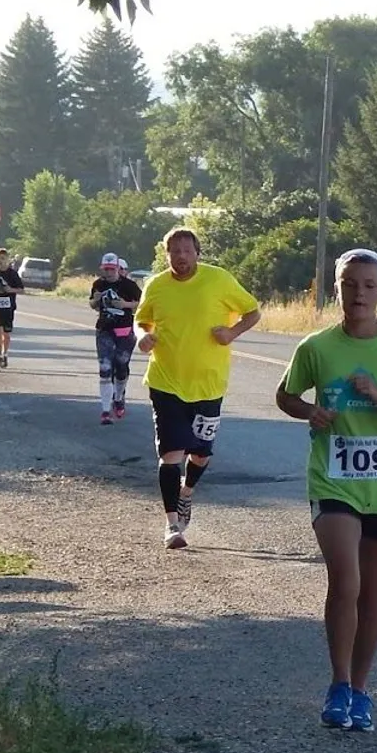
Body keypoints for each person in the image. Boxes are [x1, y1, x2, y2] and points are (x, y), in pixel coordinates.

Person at [276, 250, 377, 733]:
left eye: (369, 285)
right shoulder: (317, 347)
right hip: (333, 480)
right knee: (345, 582)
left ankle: (363, 691)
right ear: (337, 288)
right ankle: (339, 683)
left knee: (373, 595)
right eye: (350, 284)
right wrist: (309, 412)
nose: (359, 294)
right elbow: (286, 394)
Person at [135, 227, 261, 548]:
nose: (180, 257)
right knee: (171, 454)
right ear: (167, 255)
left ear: (197, 253)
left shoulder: (218, 279)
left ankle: (186, 492)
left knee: (201, 454)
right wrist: (142, 337)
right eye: (174, 251)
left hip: (208, 383)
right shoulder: (156, 286)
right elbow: (141, 319)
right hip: (166, 381)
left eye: (187, 251)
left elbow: (252, 310)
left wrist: (231, 334)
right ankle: (172, 526)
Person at [90, 252, 142, 424]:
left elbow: (143, 304)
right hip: (105, 330)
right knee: (105, 368)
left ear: (119, 269)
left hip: (125, 331)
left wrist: (125, 304)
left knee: (121, 367)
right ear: (102, 268)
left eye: (113, 269)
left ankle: (118, 397)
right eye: (107, 269)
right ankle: (105, 410)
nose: (110, 272)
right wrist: (96, 301)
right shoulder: (98, 284)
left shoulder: (129, 285)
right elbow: (92, 304)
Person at [0, 248, 25, 368]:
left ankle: (5, 353)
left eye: (3, 258)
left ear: (7, 259)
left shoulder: (12, 274)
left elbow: (22, 290)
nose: (1, 261)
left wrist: (10, 290)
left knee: (6, 333)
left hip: (9, 306)